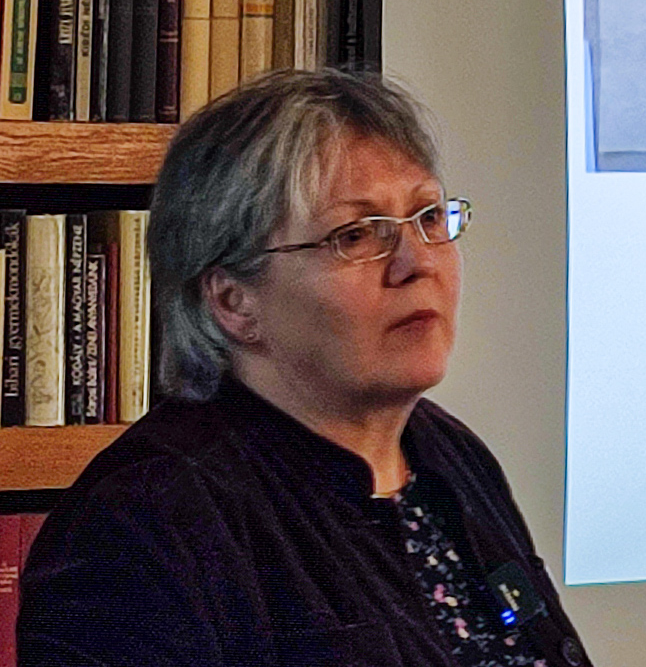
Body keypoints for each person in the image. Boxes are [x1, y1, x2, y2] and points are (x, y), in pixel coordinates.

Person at [18, 69, 592, 667]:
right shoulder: (145, 523)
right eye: (356, 235)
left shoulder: (447, 453)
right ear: (234, 302)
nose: (417, 262)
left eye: (427, 218)